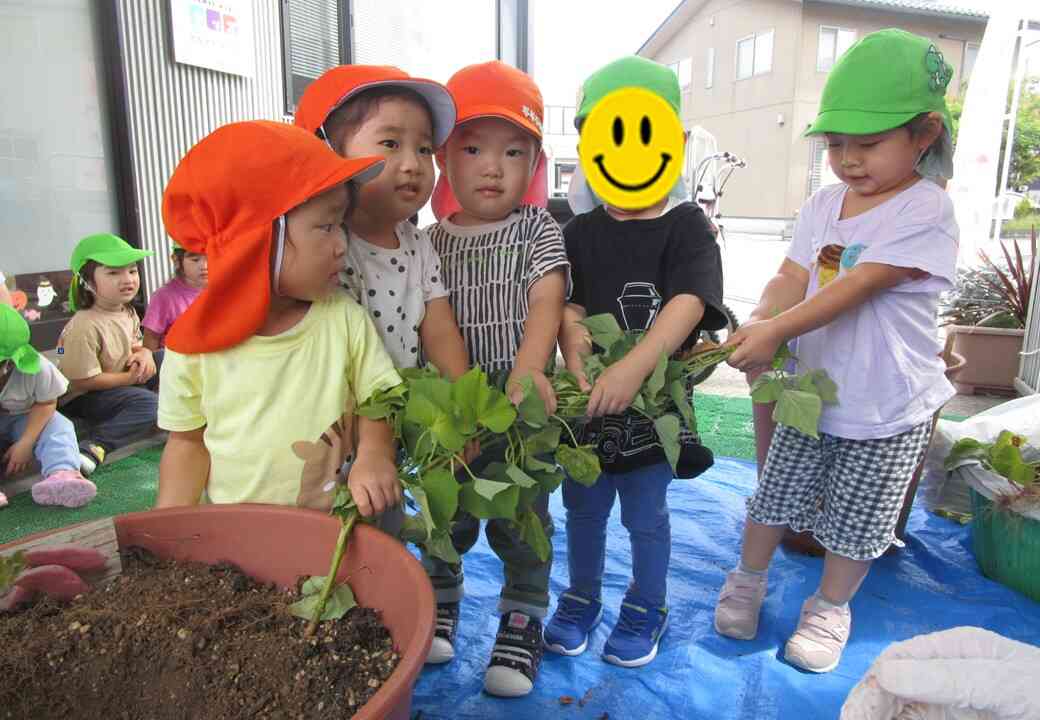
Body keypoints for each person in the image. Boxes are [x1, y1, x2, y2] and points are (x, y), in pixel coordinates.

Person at [714, 29, 958, 674]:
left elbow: (860, 283)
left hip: (888, 408)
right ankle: (747, 579)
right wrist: (764, 314)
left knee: (856, 522)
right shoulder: (824, 204)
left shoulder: (925, 209)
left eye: (869, 144)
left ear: (924, 135)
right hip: (811, 394)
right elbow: (794, 274)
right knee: (772, 497)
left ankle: (829, 607)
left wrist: (777, 331)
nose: (849, 159)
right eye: (836, 144)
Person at [544, 56, 726, 669]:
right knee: (583, 509)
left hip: (654, 407)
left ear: (672, 142)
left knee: (646, 515)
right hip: (588, 406)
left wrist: (637, 365)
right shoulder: (580, 230)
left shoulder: (685, 226)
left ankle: (648, 604)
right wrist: (575, 348)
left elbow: (689, 301)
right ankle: (581, 596)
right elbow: (568, 300)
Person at [155, 120, 402, 520]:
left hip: (338, 531)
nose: (342, 245)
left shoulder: (342, 319)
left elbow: (379, 400)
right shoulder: (193, 347)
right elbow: (186, 444)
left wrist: (374, 454)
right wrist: (168, 525)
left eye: (341, 224)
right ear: (255, 241)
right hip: (240, 542)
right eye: (325, 226)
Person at [420, 60, 569, 698]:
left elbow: (548, 296)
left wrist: (530, 367)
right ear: (445, 159)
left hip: (520, 410)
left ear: (534, 163)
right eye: (473, 148)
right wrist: (453, 405)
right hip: (451, 412)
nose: (491, 166)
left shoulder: (538, 228)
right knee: (443, 514)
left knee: (522, 515)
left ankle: (522, 615)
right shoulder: (428, 240)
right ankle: (439, 600)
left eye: (513, 152)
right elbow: (430, 320)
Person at [293, 65, 468, 377]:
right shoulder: (326, 247)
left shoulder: (418, 243)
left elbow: (440, 330)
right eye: (391, 144)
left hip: (412, 406)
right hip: (347, 411)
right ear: (326, 151)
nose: (413, 164)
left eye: (425, 149)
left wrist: (462, 395)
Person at [56, 234, 158, 476]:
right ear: (87, 282)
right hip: (85, 396)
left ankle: (188, 415)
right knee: (148, 404)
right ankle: (94, 447)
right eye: (113, 273)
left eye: (132, 271)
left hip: (121, 380)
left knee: (170, 359)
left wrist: (145, 353)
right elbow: (80, 381)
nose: (128, 280)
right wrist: (130, 379)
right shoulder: (84, 326)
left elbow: (134, 343)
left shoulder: (127, 310)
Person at [0, 304, 95, 508]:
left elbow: (47, 402)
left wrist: (26, 442)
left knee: (59, 425)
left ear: (11, 362)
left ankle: (63, 473)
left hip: (25, 416)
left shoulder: (39, 366)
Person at [142, 241, 207, 350]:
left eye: (213, 257)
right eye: (195, 260)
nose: (205, 266)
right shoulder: (163, 297)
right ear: (176, 260)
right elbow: (151, 338)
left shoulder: (223, 291)